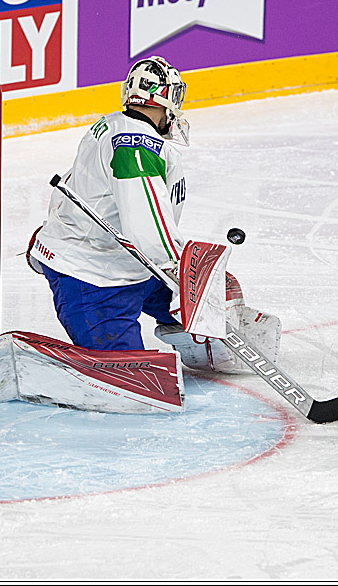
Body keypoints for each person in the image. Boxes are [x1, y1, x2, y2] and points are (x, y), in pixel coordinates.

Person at [27, 56, 248, 372]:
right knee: (130, 374)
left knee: (218, 293)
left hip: (126, 262)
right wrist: (184, 274)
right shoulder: (137, 145)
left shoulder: (112, 125)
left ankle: (204, 343)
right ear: (164, 99)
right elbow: (147, 227)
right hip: (94, 279)